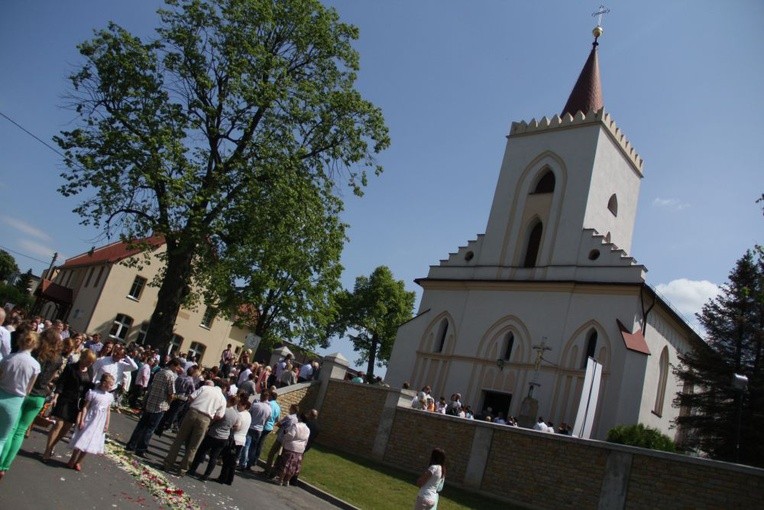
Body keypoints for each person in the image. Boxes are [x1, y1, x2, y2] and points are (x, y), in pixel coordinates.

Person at [0, 328, 63, 473]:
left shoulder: (35, 354)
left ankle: (1, 462)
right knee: (20, 431)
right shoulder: (57, 359)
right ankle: (6, 465)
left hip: (25, 394)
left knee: (11, 430)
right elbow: (51, 378)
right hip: (40, 396)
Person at [162, 380, 227, 475]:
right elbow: (220, 415)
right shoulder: (222, 399)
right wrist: (211, 420)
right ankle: (183, 469)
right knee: (194, 446)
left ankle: (168, 464)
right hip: (206, 418)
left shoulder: (205, 388)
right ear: (223, 389)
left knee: (179, 439)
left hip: (193, 412)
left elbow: (191, 397)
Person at [43, 349, 97, 461]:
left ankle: (52, 445)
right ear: (83, 358)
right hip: (65, 398)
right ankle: (47, 451)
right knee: (58, 424)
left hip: (77, 403)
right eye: (88, 361)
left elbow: (89, 387)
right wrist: (56, 396)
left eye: (91, 362)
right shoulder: (71, 367)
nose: (90, 364)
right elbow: (61, 382)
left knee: (66, 428)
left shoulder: (90, 370)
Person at [0, 329, 40, 479]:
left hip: (1, 392)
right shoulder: (35, 365)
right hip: (15, 400)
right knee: (2, 438)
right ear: (35, 345)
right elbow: (28, 389)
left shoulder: (8, 358)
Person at [125, 359, 182, 457]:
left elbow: (152, 386)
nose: (177, 369)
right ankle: (141, 448)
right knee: (150, 428)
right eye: (177, 367)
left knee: (141, 426)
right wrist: (172, 399)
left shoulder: (159, 372)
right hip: (160, 405)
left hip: (151, 402)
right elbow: (170, 393)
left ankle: (131, 444)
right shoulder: (170, 376)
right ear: (173, 365)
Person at [66, 373, 114, 472]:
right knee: (82, 438)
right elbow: (85, 407)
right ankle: (73, 458)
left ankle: (79, 461)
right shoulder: (93, 393)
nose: (111, 387)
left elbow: (108, 410)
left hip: (99, 422)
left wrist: (107, 423)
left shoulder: (109, 396)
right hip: (90, 419)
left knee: (90, 442)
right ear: (104, 383)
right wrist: (82, 419)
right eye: (110, 384)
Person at [188, 394, 241, 481]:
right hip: (224, 437)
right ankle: (206, 475)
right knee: (214, 457)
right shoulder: (236, 415)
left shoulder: (224, 410)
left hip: (213, 433)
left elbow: (215, 419)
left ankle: (193, 469)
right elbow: (237, 426)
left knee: (202, 451)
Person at [270, 409, 310, 487]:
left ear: (300, 418)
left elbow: (290, 435)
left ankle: (280, 480)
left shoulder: (296, 426)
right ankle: (287, 480)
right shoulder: (307, 429)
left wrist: (285, 435)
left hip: (291, 447)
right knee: (293, 466)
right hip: (300, 449)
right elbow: (306, 440)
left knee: (285, 464)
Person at [218, 397, 251, 485]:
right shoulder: (248, 415)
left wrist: (231, 427)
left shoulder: (240, 415)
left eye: (239, 405)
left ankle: (222, 478)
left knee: (227, 460)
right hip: (242, 440)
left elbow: (237, 427)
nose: (238, 407)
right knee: (233, 462)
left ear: (244, 406)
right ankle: (229, 479)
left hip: (235, 439)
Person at [240, 390, 272, 470]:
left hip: (251, 427)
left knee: (246, 446)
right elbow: (268, 419)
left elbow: (249, 414)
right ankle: (249, 464)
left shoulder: (255, 405)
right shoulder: (269, 409)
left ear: (261, 396)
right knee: (253, 447)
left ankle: (243, 463)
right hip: (259, 429)